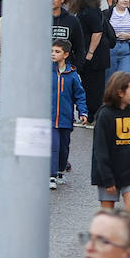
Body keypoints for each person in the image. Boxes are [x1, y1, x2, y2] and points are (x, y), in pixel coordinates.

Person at [90, 72, 130, 211]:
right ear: (120, 92)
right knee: (107, 213)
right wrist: (107, 178)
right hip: (108, 172)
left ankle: (129, 233)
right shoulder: (105, 114)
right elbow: (100, 149)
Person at [51, 39, 89, 189]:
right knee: (53, 146)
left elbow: (80, 95)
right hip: (50, 118)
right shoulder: (46, 71)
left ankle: (60, 170)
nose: (53, 54)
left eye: (57, 51)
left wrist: (83, 112)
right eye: (52, 51)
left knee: (63, 147)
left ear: (65, 54)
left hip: (66, 119)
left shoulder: (72, 74)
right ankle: (51, 175)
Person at [71, 0, 112, 113]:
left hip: (95, 57)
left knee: (93, 87)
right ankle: (92, 113)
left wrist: (89, 53)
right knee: (92, 86)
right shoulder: (92, 11)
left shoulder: (88, 13)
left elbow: (97, 32)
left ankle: (92, 114)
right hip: (98, 55)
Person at [51, 0, 87, 76]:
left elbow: (80, 48)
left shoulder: (72, 21)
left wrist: (75, 70)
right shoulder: (38, 20)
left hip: (66, 72)